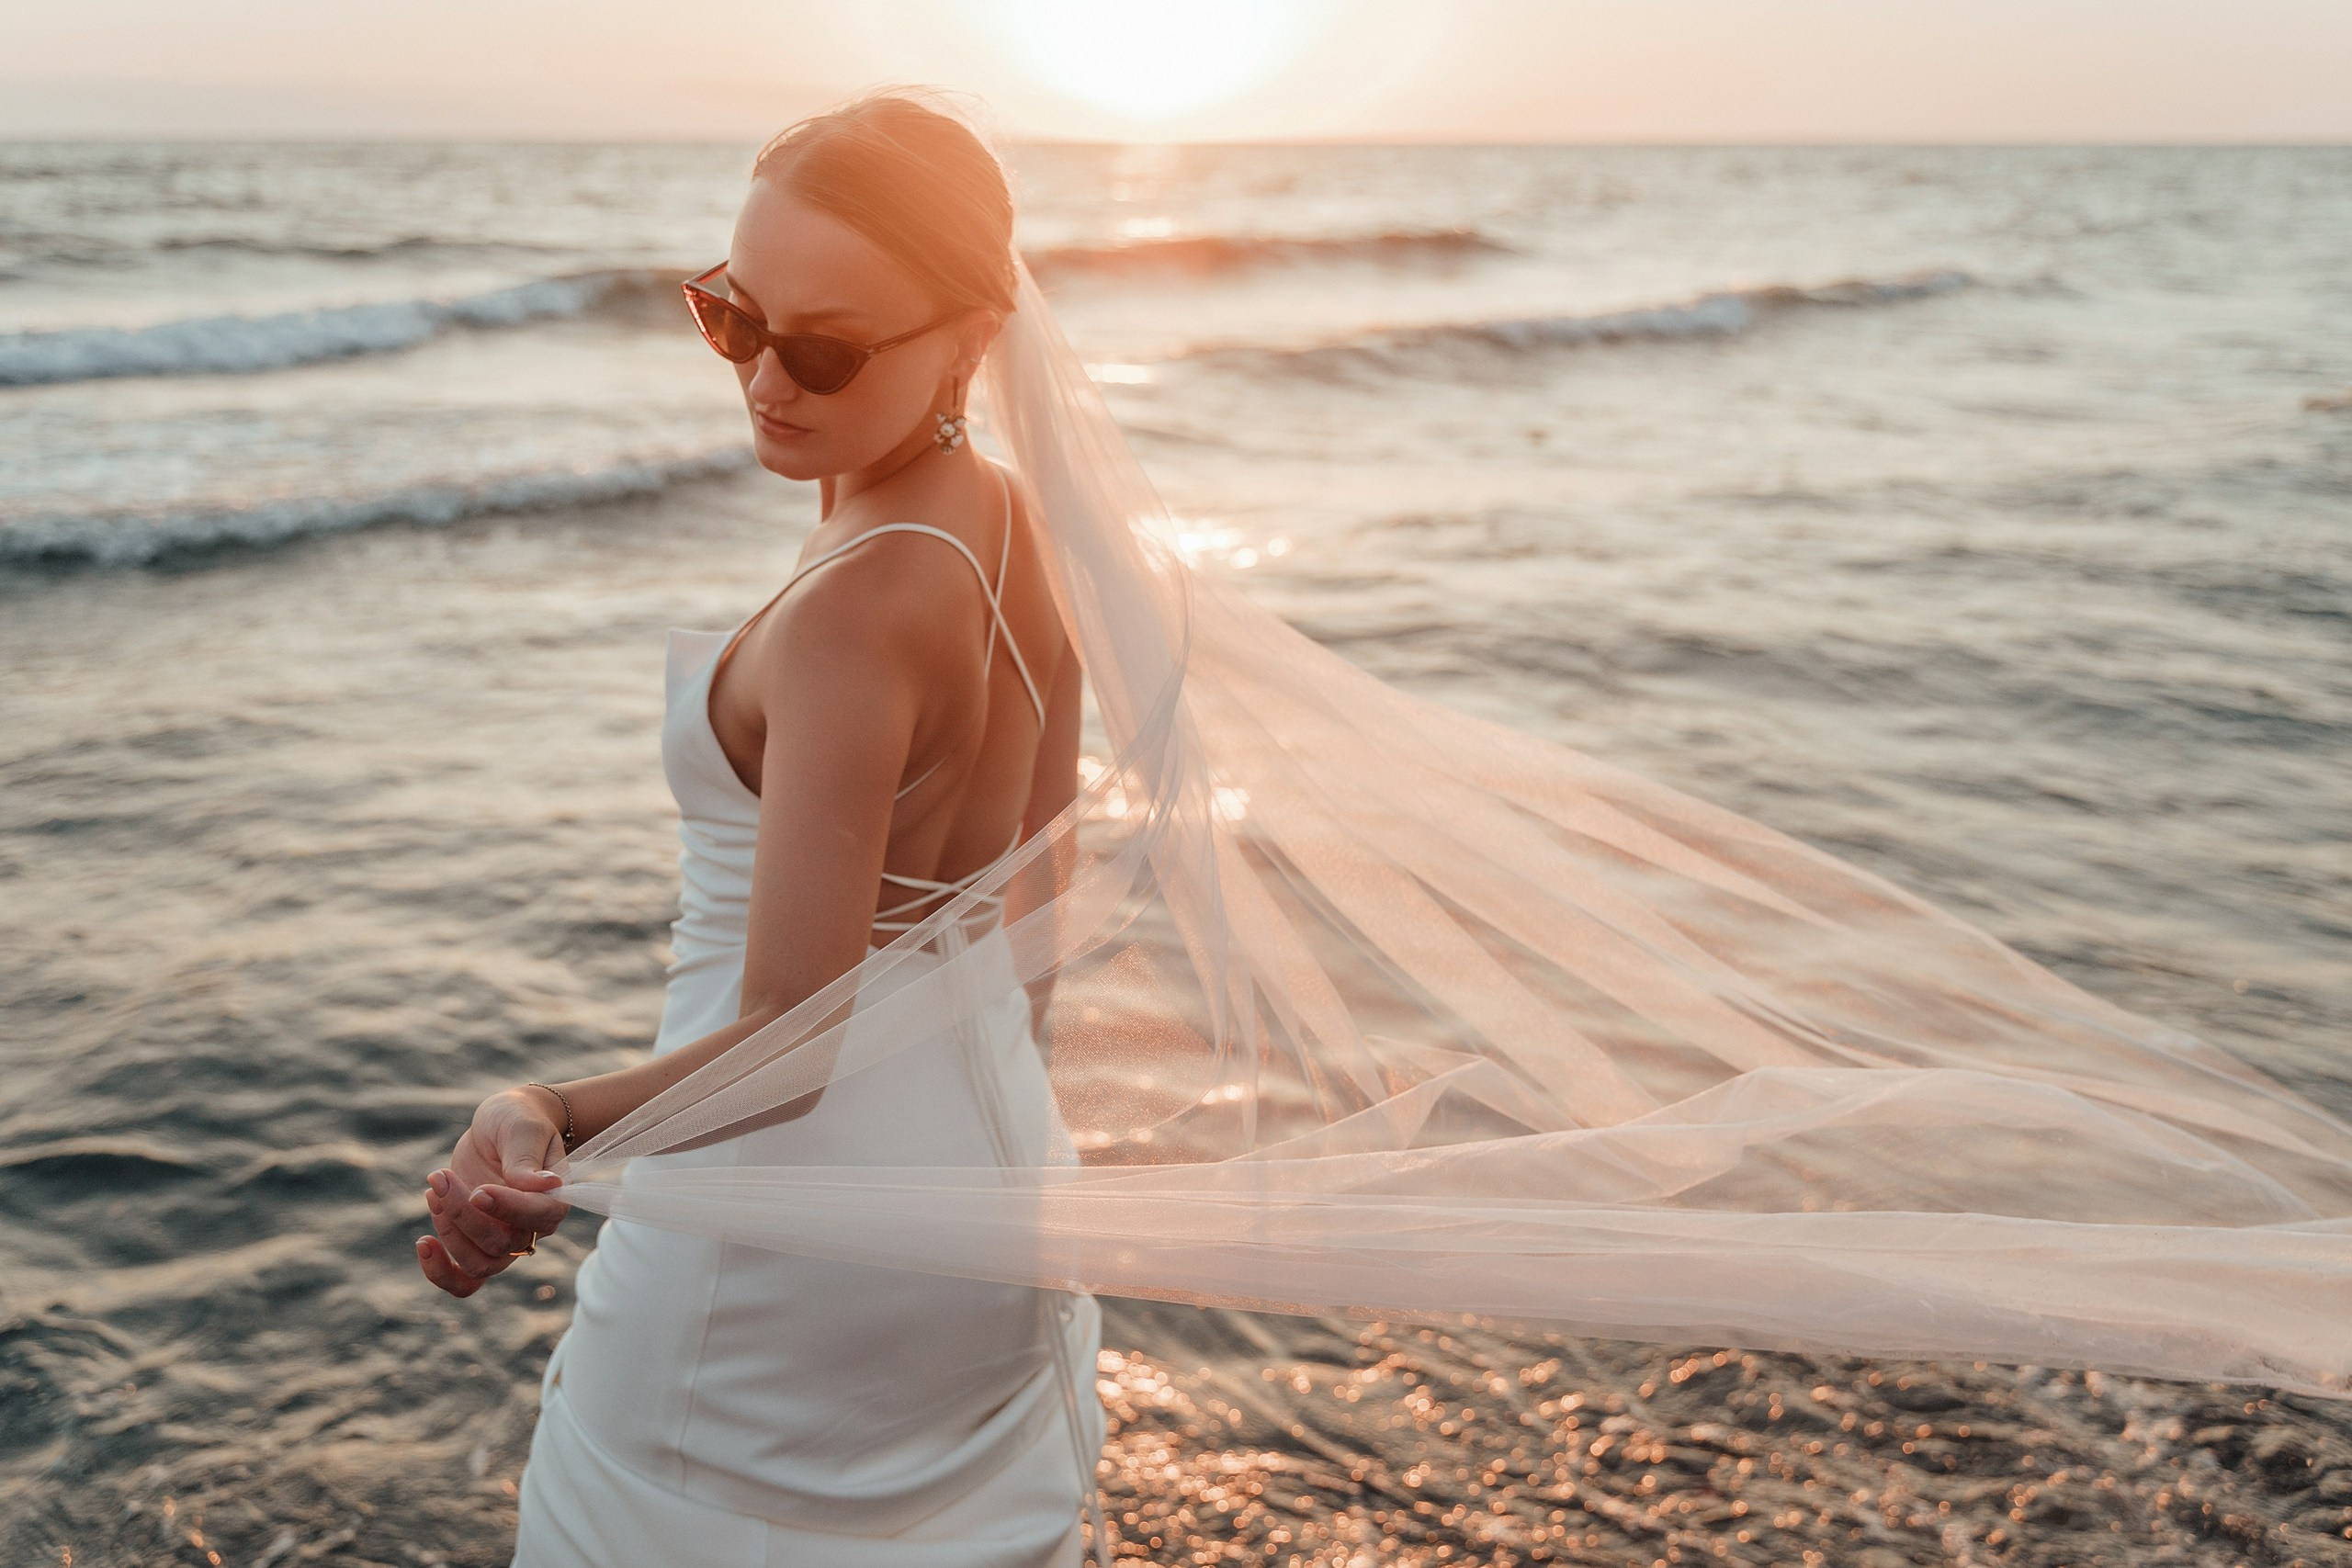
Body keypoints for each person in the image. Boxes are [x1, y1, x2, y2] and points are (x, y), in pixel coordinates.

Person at [414, 91, 1106, 1567]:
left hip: (778, 1241)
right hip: (985, 1207)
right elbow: (1045, 904)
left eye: (825, 349)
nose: (765, 382)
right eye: (735, 317)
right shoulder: (1011, 527)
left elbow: (795, 1040)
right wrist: (993, 1178)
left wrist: (550, 1116)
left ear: (973, 337)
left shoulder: (862, 603)